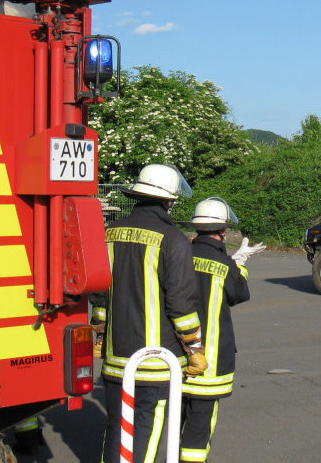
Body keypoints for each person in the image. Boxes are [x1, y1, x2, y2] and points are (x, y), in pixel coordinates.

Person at [90, 164, 208, 462]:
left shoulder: (110, 233)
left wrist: (100, 333)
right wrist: (194, 349)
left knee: (117, 430)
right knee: (147, 433)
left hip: (116, 360)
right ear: (169, 201)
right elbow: (181, 305)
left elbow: (99, 293)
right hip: (155, 364)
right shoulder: (174, 239)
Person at [179, 197, 265, 462]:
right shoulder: (224, 264)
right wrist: (239, 264)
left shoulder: (180, 254)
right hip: (211, 362)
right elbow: (238, 293)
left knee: (174, 420)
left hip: (179, 355)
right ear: (222, 232)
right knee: (199, 428)